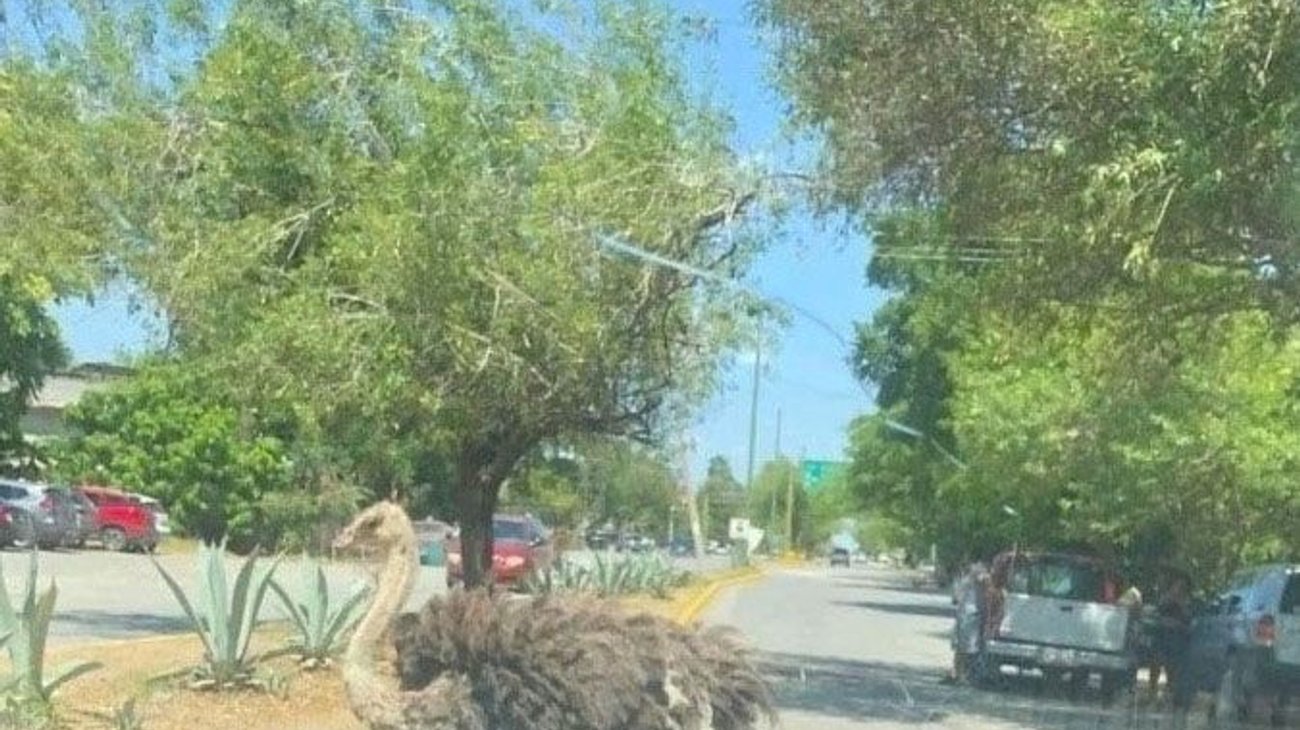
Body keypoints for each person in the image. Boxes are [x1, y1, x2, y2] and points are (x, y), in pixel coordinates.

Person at [1150, 574, 1193, 705]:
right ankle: (1152, 692)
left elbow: (1188, 618)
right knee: (1156, 663)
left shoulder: (1186, 601)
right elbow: (1157, 611)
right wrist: (1170, 597)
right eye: (1177, 585)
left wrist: (1180, 604)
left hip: (1176, 638)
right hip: (1162, 635)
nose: (1179, 588)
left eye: (1182, 586)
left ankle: (1170, 693)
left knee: (1172, 667)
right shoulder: (1165, 597)